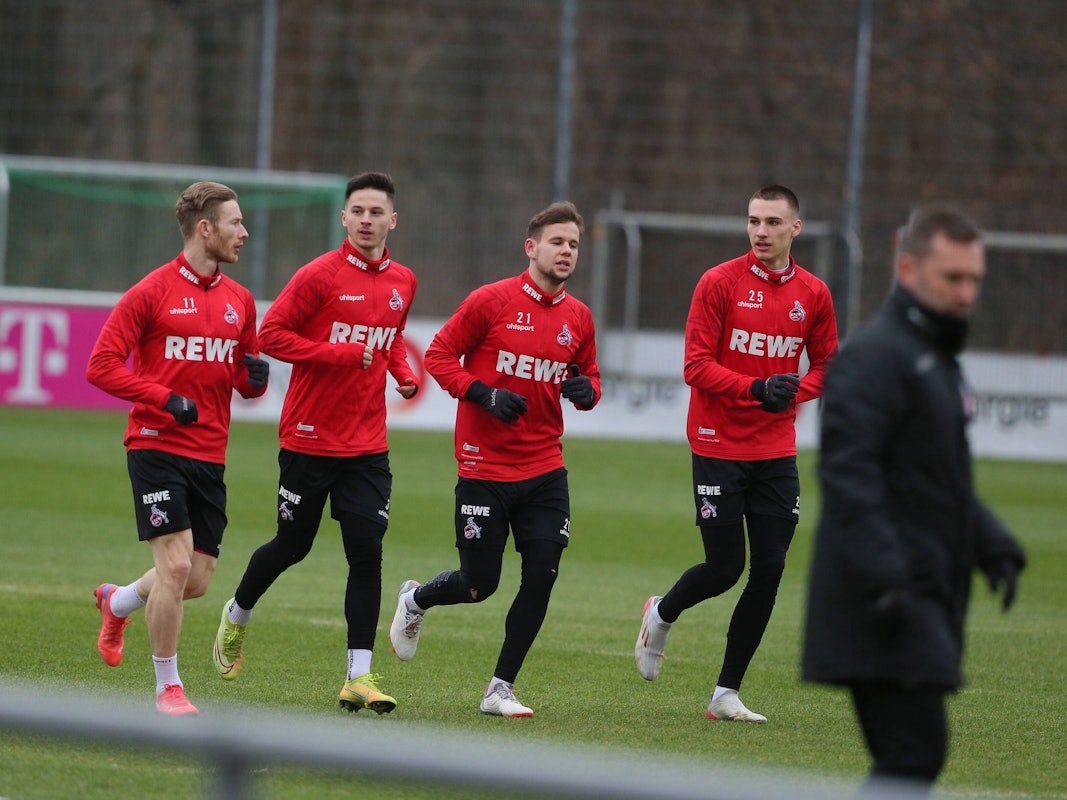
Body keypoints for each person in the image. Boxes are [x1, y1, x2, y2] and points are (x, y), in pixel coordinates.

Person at [802, 204, 1025, 795]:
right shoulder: (876, 357)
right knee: (914, 752)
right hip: (885, 600)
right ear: (908, 269)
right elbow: (849, 477)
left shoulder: (933, 357)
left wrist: (991, 543)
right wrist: (889, 578)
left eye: (974, 279)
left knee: (914, 756)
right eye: (953, 277)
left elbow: (938, 480)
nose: (966, 292)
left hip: (917, 586)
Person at [212, 171, 418, 715]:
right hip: (308, 438)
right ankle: (237, 613)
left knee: (367, 553)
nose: (368, 220)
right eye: (359, 211)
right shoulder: (318, 276)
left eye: (378, 212)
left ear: (392, 220)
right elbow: (271, 335)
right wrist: (338, 353)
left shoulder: (404, 281)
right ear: (344, 217)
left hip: (368, 443)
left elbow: (389, 337)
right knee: (292, 546)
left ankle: (359, 675)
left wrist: (401, 370)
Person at [634, 185, 838, 722]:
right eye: (753, 221)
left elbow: (826, 365)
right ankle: (662, 611)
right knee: (726, 568)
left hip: (775, 451)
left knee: (769, 568)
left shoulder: (813, 293)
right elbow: (695, 365)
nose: (760, 232)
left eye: (773, 222)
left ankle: (725, 693)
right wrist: (754, 390)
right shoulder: (719, 283)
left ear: (796, 228)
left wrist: (794, 390)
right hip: (718, 444)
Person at [388, 201, 600, 717]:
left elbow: (591, 378)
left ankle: (498, 688)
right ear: (531, 248)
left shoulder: (579, 317)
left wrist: (586, 390)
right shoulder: (491, 301)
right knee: (479, 584)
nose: (566, 251)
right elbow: (438, 354)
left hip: (546, 467)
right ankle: (416, 600)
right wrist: (483, 394)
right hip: (484, 468)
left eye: (573, 243)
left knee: (543, 573)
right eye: (557, 242)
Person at [86, 181, 269, 716]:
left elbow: (244, 382)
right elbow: (101, 367)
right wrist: (165, 399)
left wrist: (254, 378)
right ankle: (168, 686)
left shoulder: (241, 300)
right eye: (235, 222)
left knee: (194, 580)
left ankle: (116, 602)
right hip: (155, 444)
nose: (244, 232)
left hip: (209, 454)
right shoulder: (151, 291)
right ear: (205, 228)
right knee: (173, 566)